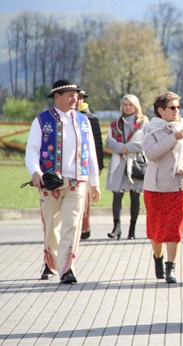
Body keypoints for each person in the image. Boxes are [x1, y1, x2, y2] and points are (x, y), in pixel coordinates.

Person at [25, 79, 101, 284]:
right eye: (69, 94)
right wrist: (35, 172)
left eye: (76, 94)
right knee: (51, 227)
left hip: (77, 182)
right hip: (50, 183)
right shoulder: (41, 120)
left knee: (72, 225)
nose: (74, 98)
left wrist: (95, 183)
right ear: (56, 97)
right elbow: (32, 151)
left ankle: (67, 268)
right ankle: (51, 262)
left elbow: (91, 153)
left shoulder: (83, 121)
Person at [142, 92, 183, 284]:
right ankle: (158, 257)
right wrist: (173, 137)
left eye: (178, 107)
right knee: (157, 229)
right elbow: (151, 154)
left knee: (175, 229)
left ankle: (170, 267)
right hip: (155, 188)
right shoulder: (150, 128)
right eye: (172, 108)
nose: (177, 111)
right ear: (161, 110)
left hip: (179, 186)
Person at [106, 94, 149, 240]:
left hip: (135, 161)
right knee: (117, 194)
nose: (127, 107)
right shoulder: (115, 123)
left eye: (130, 104)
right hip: (119, 160)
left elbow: (144, 141)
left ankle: (132, 229)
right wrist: (122, 148)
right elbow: (109, 141)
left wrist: (126, 148)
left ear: (136, 106)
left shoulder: (143, 122)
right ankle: (116, 227)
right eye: (125, 104)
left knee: (135, 195)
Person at [77, 89, 104, 240]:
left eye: (81, 98)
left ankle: (85, 228)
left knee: (86, 198)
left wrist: (98, 166)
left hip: (87, 165)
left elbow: (97, 145)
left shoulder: (91, 119)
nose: (79, 100)